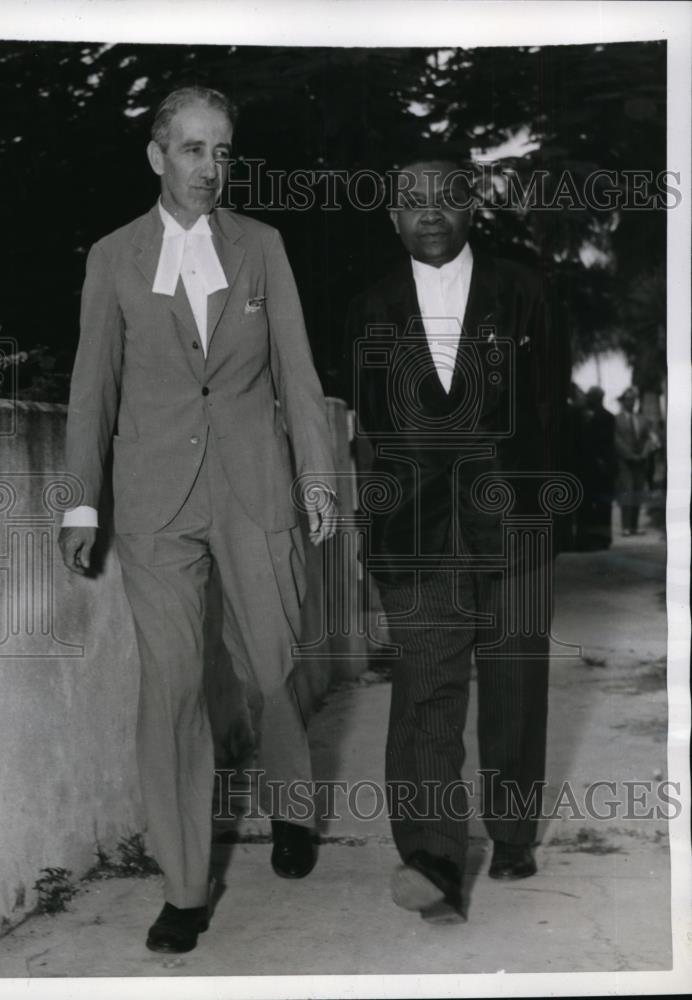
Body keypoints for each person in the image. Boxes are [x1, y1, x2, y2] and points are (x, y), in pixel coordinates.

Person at [58, 86, 336, 954]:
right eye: (191, 150)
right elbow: (91, 385)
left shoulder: (263, 247)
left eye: (221, 152)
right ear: (156, 155)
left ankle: (292, 803)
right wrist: (81, 498)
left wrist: (318, 476)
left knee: (273, 663)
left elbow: (297, 368)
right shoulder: (113, 256)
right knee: (173, 686)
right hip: (154, 501)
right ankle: (184, 885)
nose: (209, 168)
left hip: (253, 488)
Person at [348, 152, 569, 921]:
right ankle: (433, 857)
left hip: (511, 516)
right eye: (412, 202)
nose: (430, 213)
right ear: (392, 216)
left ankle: (511, 834)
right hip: (416, 528)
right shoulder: (372, 303)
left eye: (446, 198)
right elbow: (367, 429)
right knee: (426, 693)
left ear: (472, 206)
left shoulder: (525, 293)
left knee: (512, 682)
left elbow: (547, 415)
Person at [575, 386, 617, 550]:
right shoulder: (581, 416)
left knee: (603, 505)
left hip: (602, 467)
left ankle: (603, 539)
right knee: (587, 504)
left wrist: (602, 462)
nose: (587, 399)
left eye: (590, 396)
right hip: (587, 468)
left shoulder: (607, 417)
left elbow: (605, 443)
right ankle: (587, 539)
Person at [614, 386, 653, 536]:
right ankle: (625, 527)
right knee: (627, 492)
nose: (631, 402)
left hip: (641, 462)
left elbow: (649, 438)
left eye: (633, 399)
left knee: (637, 493)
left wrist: (643, 453)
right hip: (625, 462)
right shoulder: (616, 419)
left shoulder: (642, 419)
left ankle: (634, 527)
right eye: (628, 399)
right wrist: (629, 455)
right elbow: (616, 440)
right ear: (623, 401)